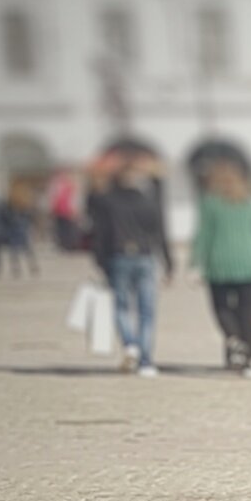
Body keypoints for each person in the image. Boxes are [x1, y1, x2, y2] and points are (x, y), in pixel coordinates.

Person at [87, 160, 172, 376]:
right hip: (145, 256)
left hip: (118, 255)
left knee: (121, 307)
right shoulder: (148, 202)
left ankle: (130, 344)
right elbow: (160, 231)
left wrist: (100, 261)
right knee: (147, 312)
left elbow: (99, 229)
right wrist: (169, 262)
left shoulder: (108, 202)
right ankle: (146, 361)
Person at [191, 162, 251, 371]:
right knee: (247, 310)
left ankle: (233, 339)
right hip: (249, 263)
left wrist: (194, 262)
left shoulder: (210, 203)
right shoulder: (250, 203)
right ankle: (247, 353)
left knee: (221, 307)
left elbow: (203, 235)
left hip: (219, 263)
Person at [2, 187, 39, 279]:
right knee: (25, 249)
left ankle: (18, 267)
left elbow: (5, 217)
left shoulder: (11, 206)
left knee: (17, 250)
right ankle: (30, 267)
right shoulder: (21, 205)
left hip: (16, 229)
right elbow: (29, 216)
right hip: (19, 228)